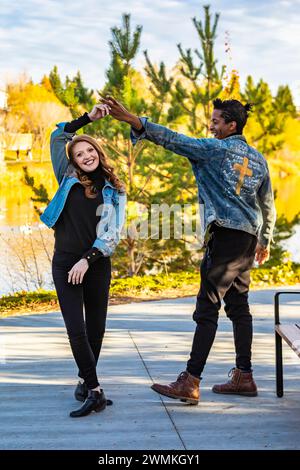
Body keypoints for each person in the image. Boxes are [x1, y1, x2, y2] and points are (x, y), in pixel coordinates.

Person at [100, 96, 276, 405]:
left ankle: (191, 381)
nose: (211, 125)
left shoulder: (214, 150)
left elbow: (173, 140)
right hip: (247, 240)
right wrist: (265, 241)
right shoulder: (259, 159)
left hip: (225, 237)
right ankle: (244, 377)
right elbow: (268, 205)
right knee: (238, 306)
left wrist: (134, 121)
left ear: (231, 125)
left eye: (216, 121)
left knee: (207, 308)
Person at [40, 104, 126, 417]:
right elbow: (57, 135)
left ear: (98, 152)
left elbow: (112, 233)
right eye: (79, 154)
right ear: (73, 160)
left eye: (89, 150)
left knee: (96, 329)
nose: (85, 156)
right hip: (65, 262)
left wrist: (88, 260)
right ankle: (95, 390)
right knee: (76, 329)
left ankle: (84, 382)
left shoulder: (115, 189)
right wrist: (87, 119)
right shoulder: (67, 176)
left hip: (96, 264)